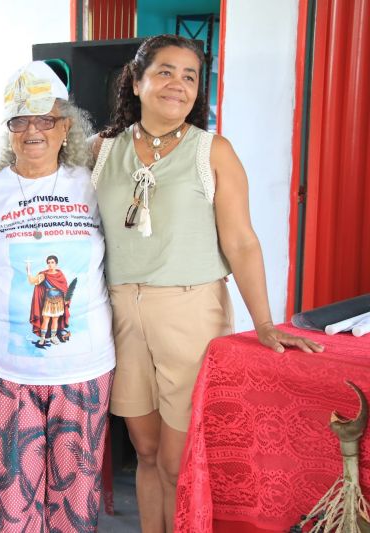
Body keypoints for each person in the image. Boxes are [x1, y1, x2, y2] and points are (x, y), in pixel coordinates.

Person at [90, 34, 324, 532]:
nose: (178, 84)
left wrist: (264, 323)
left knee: (179, 462)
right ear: (136, 80)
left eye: (190, 76)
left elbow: (241, 242)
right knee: (148, 452)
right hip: (120, 315)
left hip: (192, 314)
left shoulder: (211, 151)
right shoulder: (101, 152)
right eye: (166, 71)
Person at [0, 60, 116, 532]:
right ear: (9, 131)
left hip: (85, 371)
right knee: (10, 503)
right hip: (7, 372)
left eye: (44, 118)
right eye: (19, 120)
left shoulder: (93, 186)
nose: (32, 130)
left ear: (65, 126)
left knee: (74, 501)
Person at [27, 254, 72, 346]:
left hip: (59, 301)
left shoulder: (60, 274)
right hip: (48, 301)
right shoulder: (44, 274)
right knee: (46, 319)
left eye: (52, 262)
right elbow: (33, 281)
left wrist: (67, 299)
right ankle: (42, 338)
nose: (50, 264)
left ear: (56, 263)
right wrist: (28, 271)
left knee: (55, 320)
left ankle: (53, 337)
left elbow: (65, 288)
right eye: (49, 263)